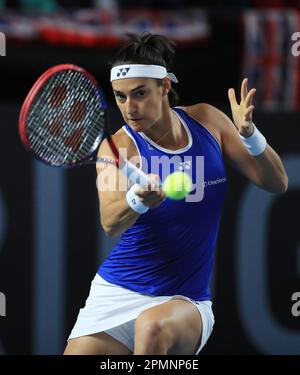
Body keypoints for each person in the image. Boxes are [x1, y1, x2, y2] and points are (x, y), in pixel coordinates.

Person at [64, 32, 288, 355]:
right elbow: (110, 221)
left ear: (164, 86)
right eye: (121, 96)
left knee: (151, 328)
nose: (130, 108)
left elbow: (277, 181)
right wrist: (138, 200)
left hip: (185, 299)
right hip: (117, 291)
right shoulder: (119, 148)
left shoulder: (208, 121)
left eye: (139, 93)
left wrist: (251, 137)